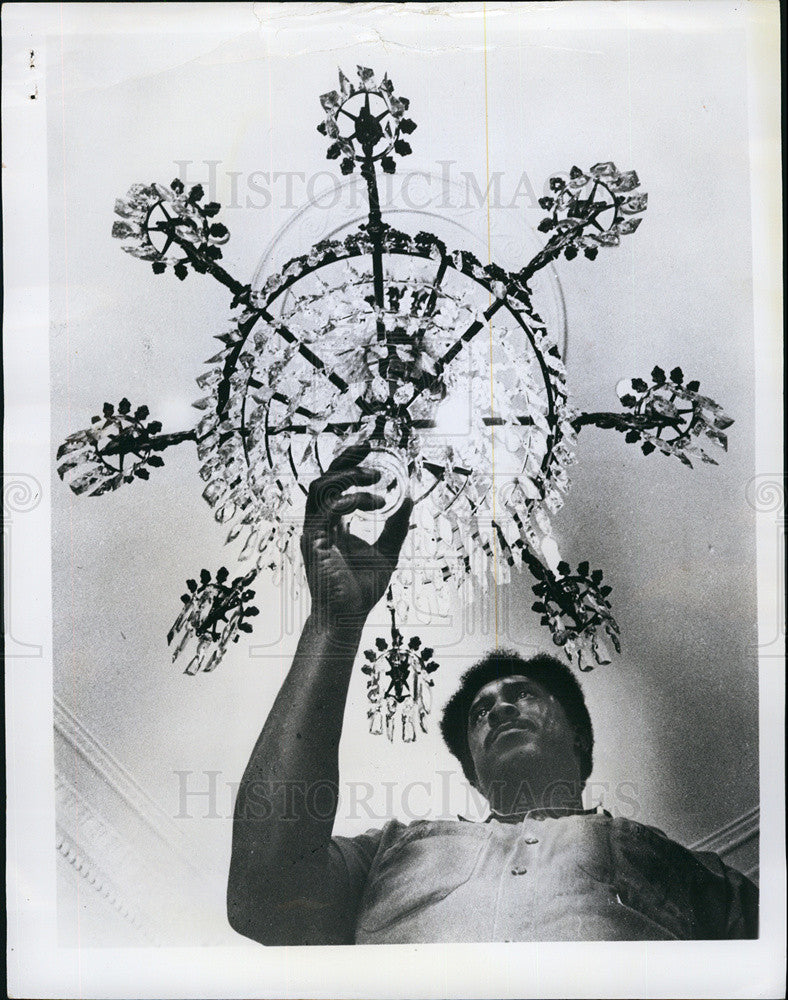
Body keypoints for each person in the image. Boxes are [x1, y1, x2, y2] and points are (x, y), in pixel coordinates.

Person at [227, 444, 758, 945]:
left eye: (523, 695)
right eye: (480, 712)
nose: (500, 707)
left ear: (577, 734)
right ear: (471, 770)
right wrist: (334, 621)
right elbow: (263, 897)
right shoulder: (391, 850)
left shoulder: (689, 870)